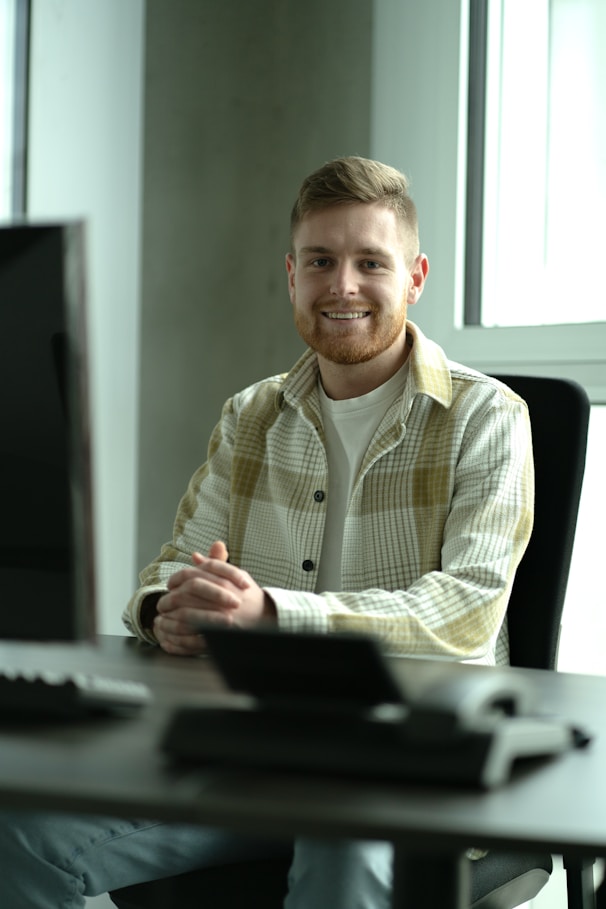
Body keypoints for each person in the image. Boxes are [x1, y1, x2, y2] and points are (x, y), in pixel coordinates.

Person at [0, 156, 534, 908]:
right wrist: (172, 610)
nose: (341, 284)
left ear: (414, 278)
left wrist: (272, 615)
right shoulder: (250, 415)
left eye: (369, 263)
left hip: (409, 762)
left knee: (339, 842)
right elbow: (164, 573)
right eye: (321, 260)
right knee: (20, 833)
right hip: (258, 749)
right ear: (292, 275)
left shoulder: (489, 417)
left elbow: (470, 606)